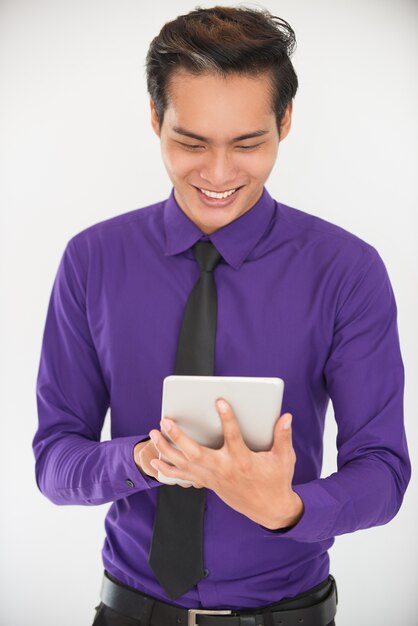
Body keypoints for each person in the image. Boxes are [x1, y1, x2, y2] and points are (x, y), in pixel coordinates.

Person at [32, 5, 411, 626]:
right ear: (156, 118)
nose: (216, 174)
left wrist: (285, 506)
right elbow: (54, 462)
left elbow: (384, 471)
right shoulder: (92, 260)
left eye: (248, 143)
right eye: (190, 142)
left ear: (284, 122)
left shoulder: (347, 270)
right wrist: (143, 461)